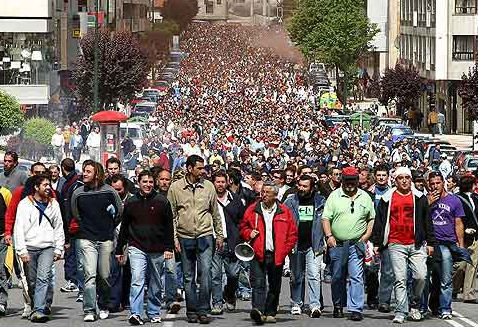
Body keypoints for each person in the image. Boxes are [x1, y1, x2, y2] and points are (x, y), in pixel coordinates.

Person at [373, 167, 435, 323]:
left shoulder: (419, 198)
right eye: (401, 178)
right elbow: (379, 221)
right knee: (400, 278)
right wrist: (377, 243)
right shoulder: (387, 198)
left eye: (407, 177)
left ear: (411, 180)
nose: (405, 180)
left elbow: (427, 221)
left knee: (421, 276)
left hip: (416, 243)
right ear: (395, 180)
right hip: (395, 243)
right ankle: (401, 310)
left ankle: (414, 303)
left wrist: (431, 242)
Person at [167, 155, 224, 324]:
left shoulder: (209, 187)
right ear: (190, 168)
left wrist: (219, 234)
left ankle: (204, 310)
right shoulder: (175, 188)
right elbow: (171, 215)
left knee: (206, 273)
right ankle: (191, 310)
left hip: (205, 235)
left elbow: (215, 213)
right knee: (188, 276)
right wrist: (174, 238)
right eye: (199, 168)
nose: (203, 171)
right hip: (184, 237)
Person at [116, 170, 175, 325]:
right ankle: (136, 312)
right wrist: (119, 249)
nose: (148, 185)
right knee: (137, 280)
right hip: (136, 247)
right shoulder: (131, 202)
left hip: (158, 248)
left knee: (156, 282)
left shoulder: (162, 201)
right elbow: (124, 227)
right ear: (138, 182)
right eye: (144, 182)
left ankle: (154, 311)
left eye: (150, 182)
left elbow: (169, 227)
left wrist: (169, 248)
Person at [71, 161, 123, 322]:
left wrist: (109, 227)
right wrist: (85, 228)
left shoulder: (109, 192)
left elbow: (119, 212)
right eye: (84, 171)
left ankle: (104, 304)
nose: (84, 174)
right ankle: (89, 309)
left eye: (88, 171)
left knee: (104, 275)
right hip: (86, 239)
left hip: (106, 239)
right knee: (89, 275)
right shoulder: (78, 193)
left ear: (97, 174)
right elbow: (75, 213)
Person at [240, 181, 298, 324]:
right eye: (262, 192)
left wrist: (284, 250)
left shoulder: (284, 211)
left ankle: (270, 312)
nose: (263, 194)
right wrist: (248, 233)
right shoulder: (253, 209)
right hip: (258, 252)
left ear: (275, 195)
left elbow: (292, 234)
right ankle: (258, 311)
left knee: (274, 284)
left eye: (267, 192)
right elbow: (243, 227)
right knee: (258, 283)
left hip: (276, 254)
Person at [322, 166, 375, 321]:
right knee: (337, 276)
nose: (350, 184)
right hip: (337, 243)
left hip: (356, 244)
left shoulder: (365, 197)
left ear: (357, 181)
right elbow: (326, 218)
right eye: (347, 181)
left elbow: (371, 218)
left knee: (356, 276)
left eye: (353, 181)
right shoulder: (334, 196)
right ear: (342, 181)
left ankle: (356, 308)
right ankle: (338, 305)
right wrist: (329, 236)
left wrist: (365, 237)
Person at [13, 174, 64, 322]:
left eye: (49, 185)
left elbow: (59, 227)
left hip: (47, 247)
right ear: (36, 187)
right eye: (45, 185)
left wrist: (58, 248)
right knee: (32, 280)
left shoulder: (54, 204)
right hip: (29, 247)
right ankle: (36, 305)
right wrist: (22, 251)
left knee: (43, 278)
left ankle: (39, 310)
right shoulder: (24, 204)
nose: (48, 188)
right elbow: (19, 228)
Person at [422, 171, 465, 319]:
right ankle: (422, 307)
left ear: (443, 182)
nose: (435, 186)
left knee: (445, 278)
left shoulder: (454, 201)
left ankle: (445, 308)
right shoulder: (424, 200)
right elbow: (420, 220)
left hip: (447, 243)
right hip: (430, 243)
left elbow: (458, 224)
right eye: (432, 183)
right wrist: (428, 204)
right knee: (424, 278)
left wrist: (461, 245)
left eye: (438, 183)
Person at [284, 175, 325, 318]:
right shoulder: (290, 201)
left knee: (314, 275)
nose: (301, 188)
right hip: (295, 244)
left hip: (314, 245)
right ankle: (296, 303)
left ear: (312, 187)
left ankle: (315, 305)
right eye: (299, 185)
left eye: (305, 186)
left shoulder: (321, 201)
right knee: (296, 276)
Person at [210, 170, 245, 315]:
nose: (220, 184)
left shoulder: (235, 199)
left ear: (228, 182)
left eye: (222, 182)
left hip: (232, 242)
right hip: (214, 242)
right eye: (217, 182)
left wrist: (242, 238)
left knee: (233, 274)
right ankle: (217, 303)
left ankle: (229, 295)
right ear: (213, 183)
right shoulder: (208, 199)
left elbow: (242, 221)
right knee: (215, 275)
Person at [453, 174, 478, 303]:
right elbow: (455, 218)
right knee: (461, 266)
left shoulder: (476, 198)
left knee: (472, 265)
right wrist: (465, 229)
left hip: (475, 236)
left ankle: (469, 294)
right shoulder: (457, 199)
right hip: (461, 236)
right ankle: (454, 288)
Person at [0, 184, 12, 316]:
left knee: (0, 270)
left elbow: (9, 215)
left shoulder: (4, 193)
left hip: (1, 237)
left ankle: (1, 302)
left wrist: (8, 233)